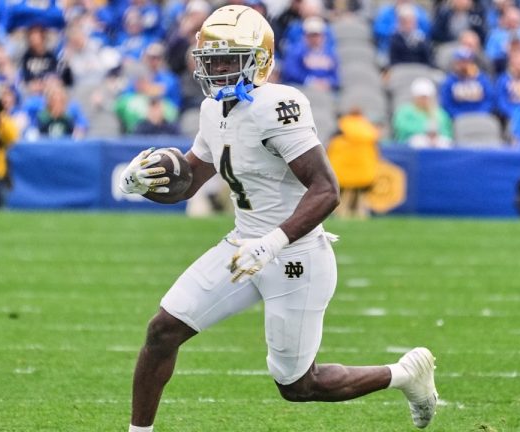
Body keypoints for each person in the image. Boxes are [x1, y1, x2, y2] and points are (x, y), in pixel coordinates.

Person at [118, 6, 438, 432]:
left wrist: (272, 244)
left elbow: (327, 190)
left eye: (228, 58)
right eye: (211, 58)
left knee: (298, 385)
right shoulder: (214, 109)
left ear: (260, 60)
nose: (215, 68)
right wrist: (143, 184)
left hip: (296, 257)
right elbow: (191, 180)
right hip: (241, 247)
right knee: (163, 330)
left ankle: (404, 375)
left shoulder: (278, 105)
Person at [326, 107, 381, 219]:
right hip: (363, 171)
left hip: (345, 171)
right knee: (361, 195)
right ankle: (361, 214)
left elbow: (332, 147)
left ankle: (342, 213)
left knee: (346, 195)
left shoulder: (342, 128)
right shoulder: (368, 129)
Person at [393, 77, 453, 147]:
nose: (424, 100)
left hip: (436, 142)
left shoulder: (439, 113)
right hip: (411, 143)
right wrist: (425, 129)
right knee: (419, 142)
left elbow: (446, 131)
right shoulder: (405, 111)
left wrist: (435, 136)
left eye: (426, 97)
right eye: (421, 97)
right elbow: (402, 128)